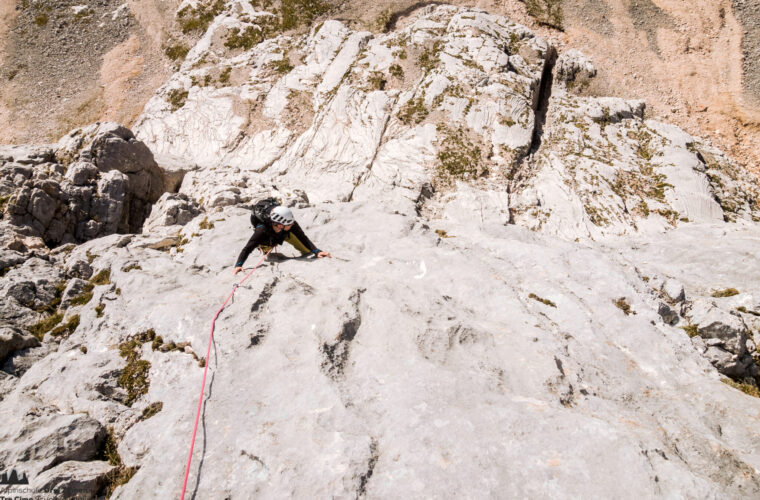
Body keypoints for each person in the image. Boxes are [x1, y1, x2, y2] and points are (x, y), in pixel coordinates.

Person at [233, 205, 330, 274]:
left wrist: (317, 251)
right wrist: (238, 265)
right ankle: (264, 247)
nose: (293, 224)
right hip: (266, 239)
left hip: (284, 234)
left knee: (307, 251)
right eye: (289, 224)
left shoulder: (290, 223)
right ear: (280, 224)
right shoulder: (261, 231)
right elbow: (248, 248)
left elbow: (302, 236)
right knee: (267, 247)